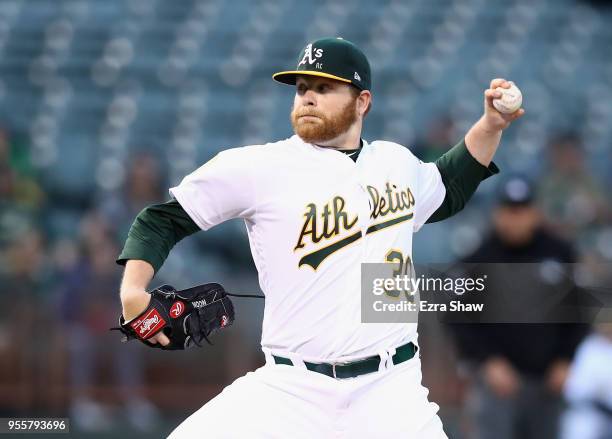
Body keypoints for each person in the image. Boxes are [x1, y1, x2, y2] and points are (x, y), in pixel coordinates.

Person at [116, 37, 523, 438]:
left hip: (391, 391)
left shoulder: (395, 162)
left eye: (324, 88)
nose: (307, 98)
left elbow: (449, 184)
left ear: (362, 101)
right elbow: (162, 220)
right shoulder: (260, 167)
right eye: (302, 89)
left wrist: (491, 124)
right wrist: (133, 289)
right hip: (291, 389)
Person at [451, 176, 588, 439]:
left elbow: (579, 310)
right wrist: (487, 361)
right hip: (497, 383)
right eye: (509, 211)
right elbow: (460, 318)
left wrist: (566, 359)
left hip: (548, 380)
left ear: (535, 213)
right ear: (497, 214)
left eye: (522, 210)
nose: (515, 218)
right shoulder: (477, 259)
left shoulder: (560, 253)